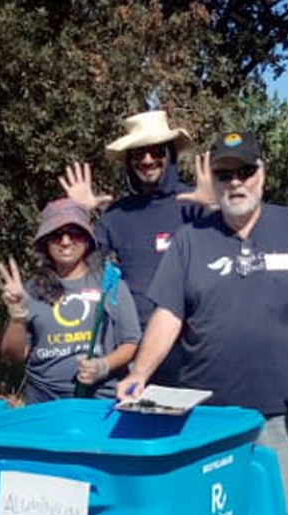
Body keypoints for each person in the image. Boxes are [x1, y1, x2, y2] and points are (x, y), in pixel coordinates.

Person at [117, 130, 288, 515]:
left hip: (278, 412)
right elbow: (168, 315)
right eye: (226, 174)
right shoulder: (191, 239)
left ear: (263, 173)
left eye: (245, 171)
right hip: (206, 419)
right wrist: (139, 373)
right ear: (213, 180)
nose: (237, 182)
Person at [59, 110, 203, 384]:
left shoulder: (194, 204)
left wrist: (214, 208)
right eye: (138, 154)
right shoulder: (116, 215)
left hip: (192, 350)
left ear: (170, 154)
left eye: (155, 151)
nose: (147, 160)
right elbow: (82, 264)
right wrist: (80, 215)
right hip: (134, 350)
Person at [0, 198, 141, 403]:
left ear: (87, 239)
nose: (65, 241)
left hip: (99, 401)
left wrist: (103, 366)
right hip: (44, 402)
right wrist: (17, 315)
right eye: (56, 235)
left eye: (74, 233)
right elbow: (13, 357)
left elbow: (131, 342)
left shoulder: (110, 282)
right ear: (45, 242)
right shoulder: (30, 289)